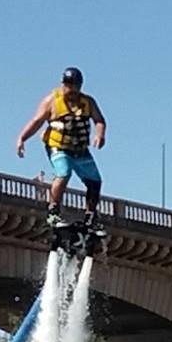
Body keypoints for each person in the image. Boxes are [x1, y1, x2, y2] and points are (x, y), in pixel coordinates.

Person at [16, 67, 107, 229]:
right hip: (58, 147)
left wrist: (100, 135)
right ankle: (53, 211)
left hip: (80, 149)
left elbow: (99, 120)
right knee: (64, 173)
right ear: (62, 84)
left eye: (75, 86)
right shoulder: (51, 101)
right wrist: (22, 138)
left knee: (95, 181)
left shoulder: (88, 102)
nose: (71, 90)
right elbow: (36, 121)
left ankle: (90, 216)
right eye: (68, 85)